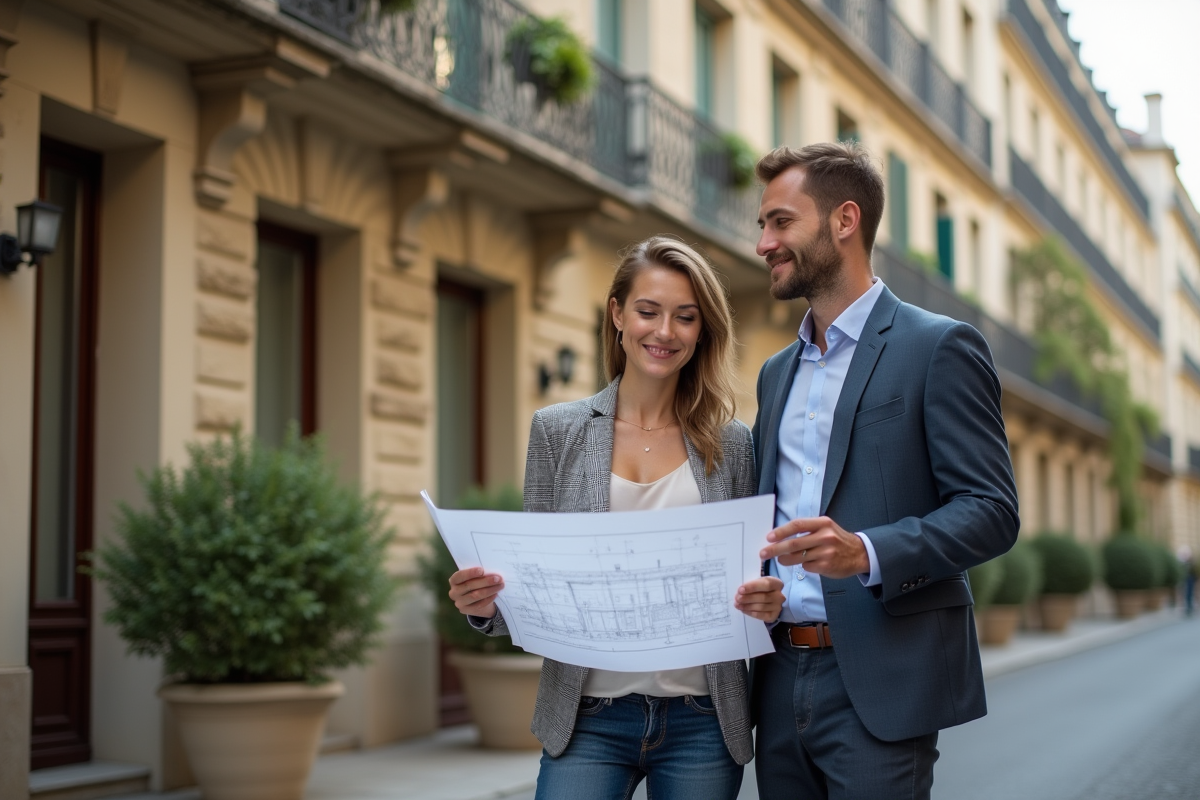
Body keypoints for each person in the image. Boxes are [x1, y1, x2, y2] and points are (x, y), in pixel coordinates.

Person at [446, 236, 785, 800]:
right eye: (648, 311)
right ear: (618, 314)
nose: (664, 332)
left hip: (703, 718)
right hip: (586, 717)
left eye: (685, 317)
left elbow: (755, 582)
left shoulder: (732, 444)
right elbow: (535, 585)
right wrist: (485, 605)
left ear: (702, 331)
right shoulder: (558, 430)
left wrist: (766, 604)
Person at [749, 142, 1020, 800]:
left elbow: (990, 509)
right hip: (778, 679)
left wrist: (866, 551)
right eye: (762, 225)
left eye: (780, 222)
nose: (763, 243)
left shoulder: (938, 346)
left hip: (880, 678)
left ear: (845, 221)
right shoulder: (774, 373)